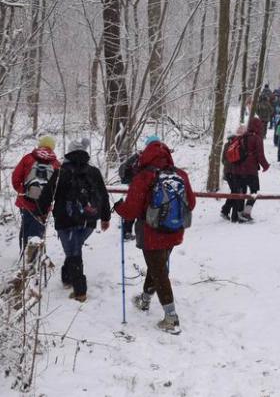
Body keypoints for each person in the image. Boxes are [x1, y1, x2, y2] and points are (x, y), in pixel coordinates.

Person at [115, 139, 196, 334]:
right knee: (157, 266)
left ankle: (171, 317)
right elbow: (191, 203)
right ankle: (145, 300)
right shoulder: (181, 175)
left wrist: (118, 207)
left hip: (151, 233)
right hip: (175, 232)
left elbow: (131, 210)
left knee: (159, 271)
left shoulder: (144, 177)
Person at [36, 138, 111, 302]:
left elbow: (48, 194)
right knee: (73, 248)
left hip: (65, 220)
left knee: (74, 251)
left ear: (68, 154)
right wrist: (105, 218)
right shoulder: (94, 172)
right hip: (89, 220)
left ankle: (80, 292)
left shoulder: (61, 172)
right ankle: (67, 277)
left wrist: (41, 212)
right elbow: (103, 196)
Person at [11, 135, 61, 250]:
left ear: (40, 145)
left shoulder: (28, 158)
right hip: (44, 204)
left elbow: (16, 178)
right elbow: (58, 186)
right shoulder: (56, 164)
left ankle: (24, 254)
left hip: (26, 200)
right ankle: (36, 256)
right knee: (39, 228)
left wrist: (22, 191)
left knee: (26, 227)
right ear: (52, 147)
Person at [231, 117, 270, 221]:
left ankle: (238, 214)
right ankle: (246, 213)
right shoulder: (257, 138)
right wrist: (265, 165)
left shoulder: (241, 136)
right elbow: (260, 155)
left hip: (238, 169)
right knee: (254, 191)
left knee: (241, 192)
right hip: (250, 170)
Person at [221, 125, 247, 223]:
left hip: (227, 172)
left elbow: (223, 160)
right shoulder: (239, 144)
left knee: (234, 191)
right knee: (237, 192)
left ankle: (225, 211)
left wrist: (227, 167)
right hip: (234, 172)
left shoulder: (227, 145)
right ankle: (234, 216)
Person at [117, 147, 142, 241]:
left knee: (131, 209)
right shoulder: (143, 158)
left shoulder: (136, 157)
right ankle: (128, 232)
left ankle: (127, 232)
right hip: (138, 187)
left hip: (133, 186)